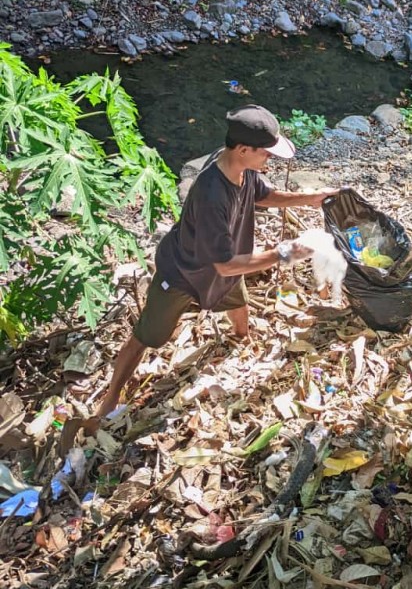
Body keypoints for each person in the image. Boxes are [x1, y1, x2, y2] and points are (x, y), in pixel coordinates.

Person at [95, 104, 335, 419]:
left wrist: (312, 198)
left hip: (226, 265)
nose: (270, 160)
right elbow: (227, 265)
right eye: (267, 153)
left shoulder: (242, 168)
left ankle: (240, 338)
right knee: (146, 337)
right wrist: (285, 253)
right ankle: (110, 401)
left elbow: (262, 196)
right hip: (183, 272)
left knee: (237, 302)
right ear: (244, 149)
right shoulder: (211, 193)